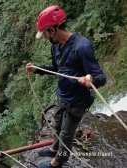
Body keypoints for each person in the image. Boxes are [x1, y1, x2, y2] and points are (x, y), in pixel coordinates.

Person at [26, 5, 106, 168]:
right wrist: (37, 69)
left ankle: (58, 162)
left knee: (66, 134)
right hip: (62, 95)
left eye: (45, 34)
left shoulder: (81, 47)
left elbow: (101, 77)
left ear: (52, 30)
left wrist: (90, 79)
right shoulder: (55, 46)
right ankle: (54, 148)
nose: (45, 38)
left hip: (77, 101)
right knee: (56, 124)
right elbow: (58, 70)